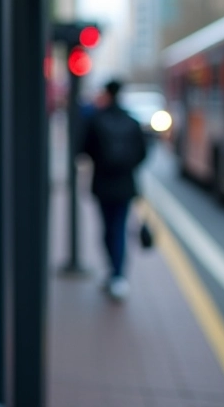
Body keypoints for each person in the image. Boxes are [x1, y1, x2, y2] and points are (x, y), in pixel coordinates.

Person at [81, 79, 148, 300]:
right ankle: (118, 276)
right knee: (119, 226)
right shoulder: (132, 121)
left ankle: (113, 272)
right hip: (125, 184)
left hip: (103, 183)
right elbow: (142, 154)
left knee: (108, 228)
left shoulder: (96, 120)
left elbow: (84, 149)